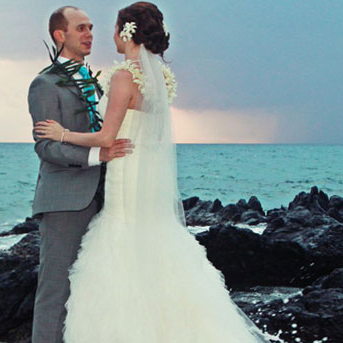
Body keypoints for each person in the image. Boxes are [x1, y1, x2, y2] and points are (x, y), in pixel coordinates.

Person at [34, 2, 272, 342]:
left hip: (123, 175)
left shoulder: (122, 75)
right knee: (152, 255)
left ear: (126, 32)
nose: (99, 34)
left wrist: (63, 134)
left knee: (120, 256)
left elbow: (106, 135)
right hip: (138, 180)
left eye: (106, 28)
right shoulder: (158, 77)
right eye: (82, 28)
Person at [27, 6, 134, 343]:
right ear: (60, 35)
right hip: (65, 201)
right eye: (81, 28)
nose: (89, 34)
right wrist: (95, 155)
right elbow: (46, 147)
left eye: (91, 27)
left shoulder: (96, 81)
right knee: (55, 292)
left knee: (96, 288)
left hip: (108, 196)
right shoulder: (43, 84)